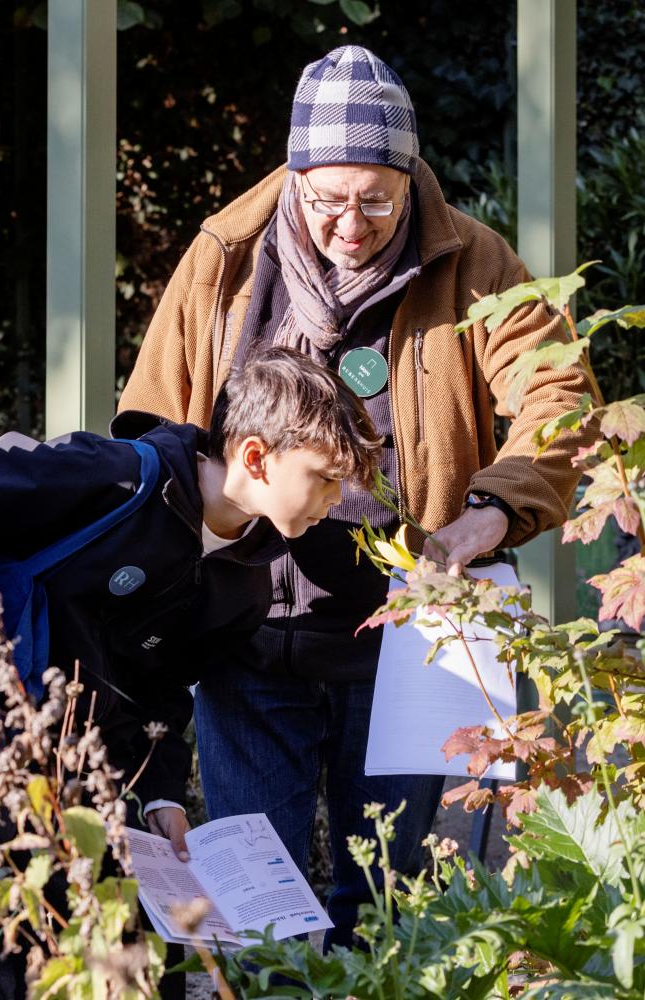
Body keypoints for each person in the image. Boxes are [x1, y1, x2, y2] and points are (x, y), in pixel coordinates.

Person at [118, 45, 593, 948]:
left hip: (405, 643)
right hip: (243, 637)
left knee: (388, 908)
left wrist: (485, 517)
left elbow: (560, 401)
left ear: (411, 178)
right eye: (328, 200)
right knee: (258, 916)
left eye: (377, 202)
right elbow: (151, 425)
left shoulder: (476, 262)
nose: (350, 224)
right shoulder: (226, 257)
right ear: (294, 177)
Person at [0, 346, 381, 998]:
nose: (336, 500)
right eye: (324, 477)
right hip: (5, 765)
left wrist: (163, 796)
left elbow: (168, 688)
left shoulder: (247, 585)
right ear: (256, 457)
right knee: (38, 974)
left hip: (110, 787)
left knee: (150, 976)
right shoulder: (111, 477)